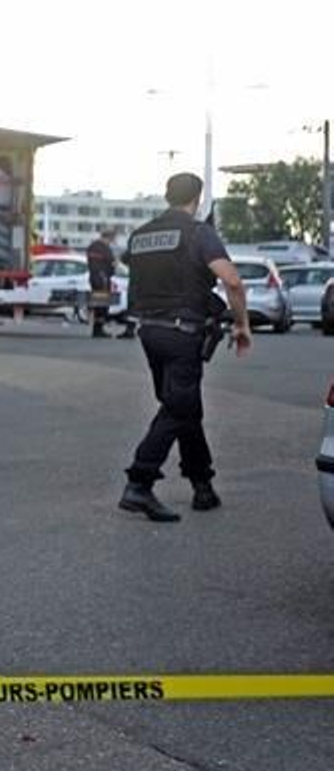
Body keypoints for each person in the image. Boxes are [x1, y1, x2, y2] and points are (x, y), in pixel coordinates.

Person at [118, 172, 250, 522]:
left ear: (166, 195)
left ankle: (202, 486)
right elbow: (232, 281)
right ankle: (139, 482)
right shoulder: (198, 233)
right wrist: (242, 324)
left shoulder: (141, 235)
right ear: (197, 198)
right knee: (178, 409)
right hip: (181, 334)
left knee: (183, 407)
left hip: (149, 332)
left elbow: (134, 269)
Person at [85, 227, 134, 338]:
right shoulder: (104, 248)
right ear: (110, 237)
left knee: (97, 303)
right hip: (103, 279)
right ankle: (98, 330)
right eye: (114, 238)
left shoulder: (92, 246)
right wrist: (126, 271)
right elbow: (113, 262)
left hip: (93, 278)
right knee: (103, 305)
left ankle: (96, 329)